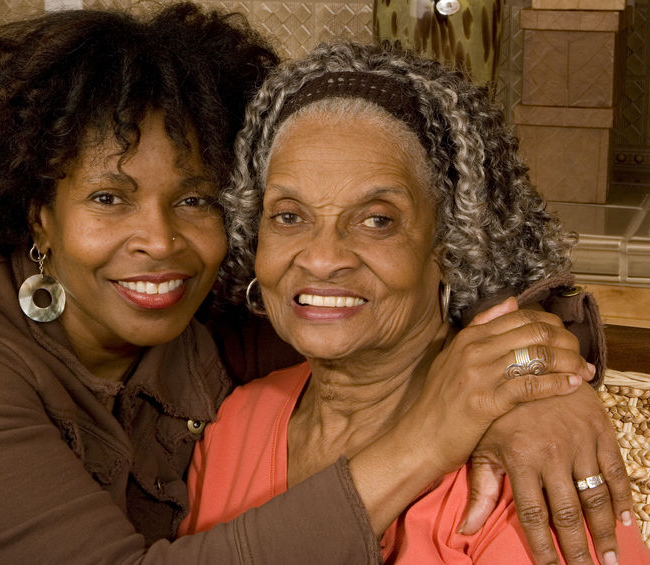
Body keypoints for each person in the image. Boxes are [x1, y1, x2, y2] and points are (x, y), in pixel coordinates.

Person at [0, 4, 628, 563]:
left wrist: (536, 385)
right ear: (38, 212)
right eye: (108, 197)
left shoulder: (207, 318)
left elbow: (392, 302)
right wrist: (431, 435)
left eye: (196, 198)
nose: (159, 241)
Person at [180, 40, 650, 564]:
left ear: (449, 246)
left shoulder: (526, 469)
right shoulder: (233, 427)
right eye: (289, 216)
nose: (321, 258)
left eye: (377, 219)